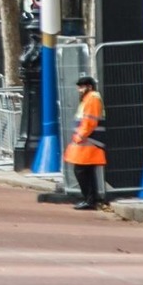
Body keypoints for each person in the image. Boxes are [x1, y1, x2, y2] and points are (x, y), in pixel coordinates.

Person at [63, 75, 107, 209]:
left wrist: (80, 136)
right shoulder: (90, 98)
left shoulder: (92, 98)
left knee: (81, 171)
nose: (79, 90)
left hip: (89, 141)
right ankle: (90, 199)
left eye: (81, 87)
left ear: (89, 87)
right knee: (86, 171)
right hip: (88, 141)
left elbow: (89, 121)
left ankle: (89, 199)